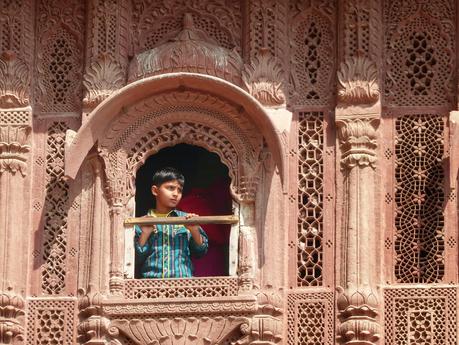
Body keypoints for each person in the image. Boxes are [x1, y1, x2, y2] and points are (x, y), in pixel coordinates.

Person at [134, 167, 208, 278]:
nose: (176, 194)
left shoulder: (187, 219)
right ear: (155, 190)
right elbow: (135, 259)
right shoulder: (143, 222)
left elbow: (200, 253)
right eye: (170, 188)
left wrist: (194, 231)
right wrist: (145, 234)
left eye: (179, 190)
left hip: (183, 286)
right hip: (151, 287)